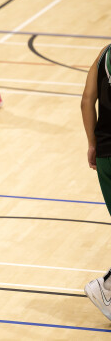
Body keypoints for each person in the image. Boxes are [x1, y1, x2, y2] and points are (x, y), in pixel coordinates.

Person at [82, 43, 111, 322]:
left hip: (105, 152)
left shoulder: (105, 53)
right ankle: (106, 288)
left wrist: (92, 143)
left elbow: (86, 100)